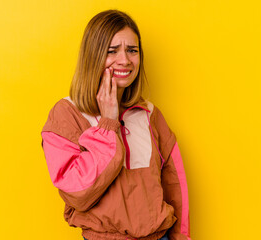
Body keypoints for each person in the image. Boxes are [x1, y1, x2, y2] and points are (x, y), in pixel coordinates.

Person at [41, 10, 191, 240]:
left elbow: (175, 183)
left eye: (132, 50)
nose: (125, 60)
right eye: (112, 51)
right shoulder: (66, 114)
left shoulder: (149, 114)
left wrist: (181, 237)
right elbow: (77, 192)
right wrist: (108, 123)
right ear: (93, 55)